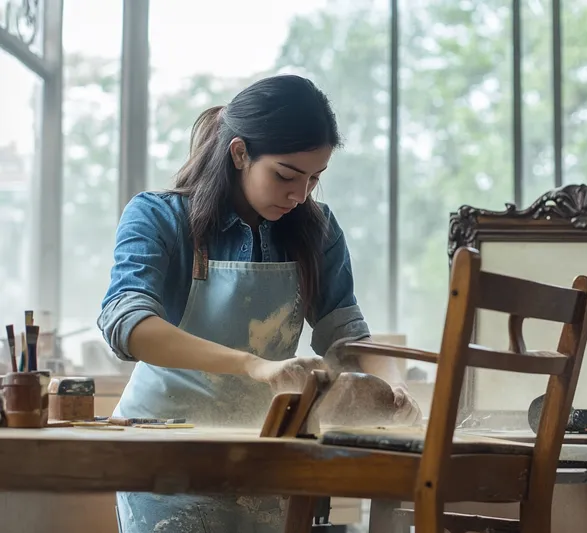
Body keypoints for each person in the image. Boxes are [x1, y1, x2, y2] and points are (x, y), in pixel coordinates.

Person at [98, 74, 421, 532]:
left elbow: (346, 336)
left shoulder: (317, 229)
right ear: (239, 153)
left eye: (314, 178)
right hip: (165, 452)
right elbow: (129, 325)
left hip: (270, 452)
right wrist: (253, 365)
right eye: (286, 175)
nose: (300, 194)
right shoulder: (158, 216)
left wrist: (394, 389)